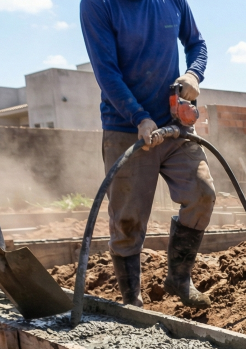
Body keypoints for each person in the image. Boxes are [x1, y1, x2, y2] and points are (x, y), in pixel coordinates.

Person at [80, 0, 216, 308]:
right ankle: (133, 301)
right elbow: (106, 71)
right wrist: (138, 116)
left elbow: (197, 43)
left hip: (174, 123)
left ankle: (179, 278)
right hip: (125, 125)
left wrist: (194, 73)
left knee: (202, 193)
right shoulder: (97, 5)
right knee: (128, 220)